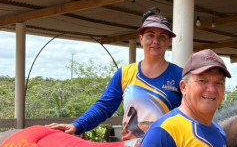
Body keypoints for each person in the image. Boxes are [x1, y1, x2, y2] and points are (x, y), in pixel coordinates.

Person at [49, 8, 183, 140]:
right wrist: (77, 125)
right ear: (141, 39)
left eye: (162, 36)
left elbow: (192, 114)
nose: (155, 41)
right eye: (150, 35)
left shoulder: (180, 75)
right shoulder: (125, 73)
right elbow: (104, 107)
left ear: (169, 41)